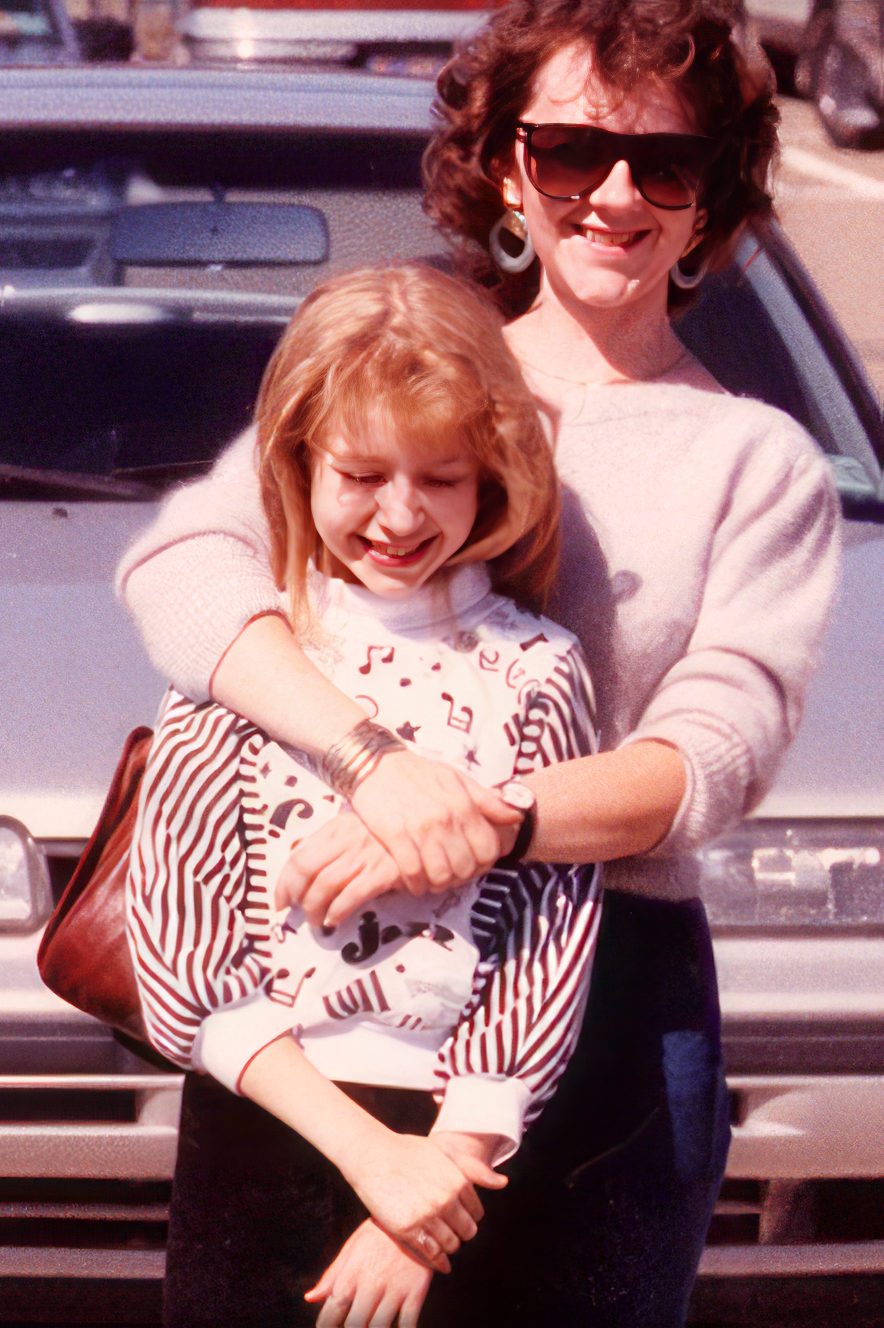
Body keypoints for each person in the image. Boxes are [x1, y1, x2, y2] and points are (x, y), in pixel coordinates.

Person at [118, 1, 842, 1323]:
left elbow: (708, 757)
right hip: (313, 977)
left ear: (708, 201)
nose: (614, 194)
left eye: (665, 164)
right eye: (570, 151)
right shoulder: (397, 369)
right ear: (508, 167)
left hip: (605, 986)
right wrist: (372, 765)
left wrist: (479, 827)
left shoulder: (760, 461)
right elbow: (185, 575)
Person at [126, 265, 602, 1327]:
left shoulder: (535, 671)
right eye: (361, 472)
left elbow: (546, 944)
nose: (398, 513)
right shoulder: (251, 656)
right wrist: (367, 1157)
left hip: (457, 1160)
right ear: (296, 464)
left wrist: (419, 1199)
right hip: (263, 1122)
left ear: (492, 476)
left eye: (439, 476)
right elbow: (182, 962)